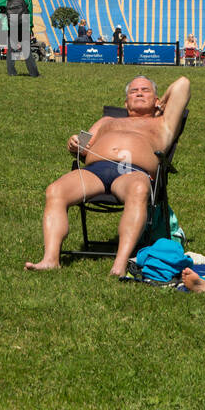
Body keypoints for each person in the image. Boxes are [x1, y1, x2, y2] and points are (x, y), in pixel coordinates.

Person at [27, 74, 192, 276]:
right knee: (56, 190)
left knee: (139, 189)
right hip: (94, 171)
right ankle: (50, 259)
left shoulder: (164, 124)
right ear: (126, 102)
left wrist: (162, 104)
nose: (139, 93)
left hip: (132, 174)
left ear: (157, 100)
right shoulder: (107, 121)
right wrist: (74, 144)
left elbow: (183, 83)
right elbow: (82, 143)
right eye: (134, 91)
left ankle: (119, 265)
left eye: (145, 90)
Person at [0, 0, 38, 77]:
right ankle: (34, 73)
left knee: (11, 50)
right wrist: (30, 27)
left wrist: (2, 18)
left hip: (11, 25)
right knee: (27, 50)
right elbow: (30, 13)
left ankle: (12, 73)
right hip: (24, 25)